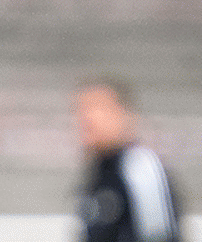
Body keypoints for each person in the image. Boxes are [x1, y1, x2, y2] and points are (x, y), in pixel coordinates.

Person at [74, 77, 182, 242]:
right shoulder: (99, 172)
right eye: (83, 109)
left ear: (125, 115)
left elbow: (160, 237)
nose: (88, 118)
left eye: (99, 108)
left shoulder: (140, 167)